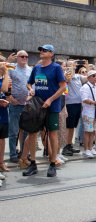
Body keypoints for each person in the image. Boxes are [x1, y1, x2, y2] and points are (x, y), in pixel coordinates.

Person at [24, 44, 67, 177]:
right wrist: (30, 89)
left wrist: (50, 99)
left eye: (45, 50)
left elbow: (63, 87)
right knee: (32, 134)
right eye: (41, 50)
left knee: (52, 134)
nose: (41, 52)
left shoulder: (56, 68)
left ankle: (53, 163)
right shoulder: (36, 68)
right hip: (37, 106)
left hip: (52, 106)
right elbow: (29, 82)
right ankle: (33, 164)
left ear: (51, 54)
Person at [6, 50, 32, 163]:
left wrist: (30, 97)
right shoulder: (11, 67)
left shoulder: (30, 69)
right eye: (22, 56)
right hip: (15, 104)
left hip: (27, 104)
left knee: (26, 131)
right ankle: (12, 154)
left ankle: (24, 153)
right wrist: (10, 98)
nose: (24, 58)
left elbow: (32, 86)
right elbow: (5, 82)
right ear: (17, 57)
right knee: (13, 131)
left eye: (26, 56)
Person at [61, 60, 87, 157]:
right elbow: (67, 80)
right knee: (68, 126)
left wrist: (87, 67)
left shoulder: (78, 76)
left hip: (78, 103)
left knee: (73, 126)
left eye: (74, 65)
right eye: (71, 64)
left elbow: (87, 78)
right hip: (70, 104)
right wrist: (69, 70)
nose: (74, 66)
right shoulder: (66, 74)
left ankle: (69, 145)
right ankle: (65, 147)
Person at [80, 70, 96, 158]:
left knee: (93, 131)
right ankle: (86, 149)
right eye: (93, 76)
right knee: (87, 132)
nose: (95, 77)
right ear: (88, 78)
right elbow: (84, 99)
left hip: (94, 112)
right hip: (88, 112)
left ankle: (90, 148)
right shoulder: (85, 87)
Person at [0, 62, 10, 172]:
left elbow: (7, 93)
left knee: (2, 140)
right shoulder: (5, 78)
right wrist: (7, 73)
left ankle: (1, 163)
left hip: (3, 114)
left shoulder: (4, 79)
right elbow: (4, 89)